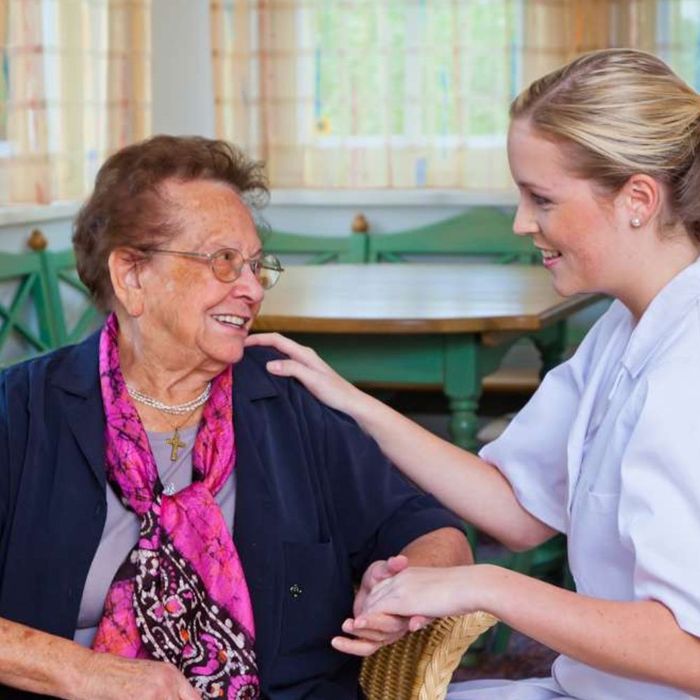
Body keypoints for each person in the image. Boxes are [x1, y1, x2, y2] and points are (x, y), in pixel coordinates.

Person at [247, 48, 700, 699]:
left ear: (637, 198)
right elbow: (517, 508)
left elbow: (689, 650)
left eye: (541, 198)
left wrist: (482, 583)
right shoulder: (625, 331)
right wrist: (349, 401)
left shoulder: (688, 370)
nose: (522, 222)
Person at [0, 135, 471, 700]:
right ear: (131, 275)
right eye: (223, 262)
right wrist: (81, 671)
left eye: (255, 266)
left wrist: (403, 585)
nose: (250, 289)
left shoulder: (285, 397)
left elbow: (434, 532)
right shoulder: (23, 412)